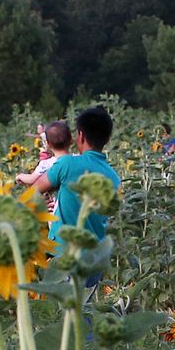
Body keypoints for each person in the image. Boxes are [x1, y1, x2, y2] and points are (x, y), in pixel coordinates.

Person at [31, 106, 120, 284]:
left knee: (61, 308)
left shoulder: (67, 164)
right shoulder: (114, 177)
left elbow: (34, 189)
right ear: (108, 139)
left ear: (79, 136)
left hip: (64, 255)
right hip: (94, 259)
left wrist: (46, 206)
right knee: (84, 307)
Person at [19, 121, 70, 217]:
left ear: (47, 144)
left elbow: (31, 179)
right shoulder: (77, 159)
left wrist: (20, 176)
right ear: (71, 140)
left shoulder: (46, 164)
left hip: (54, 210)